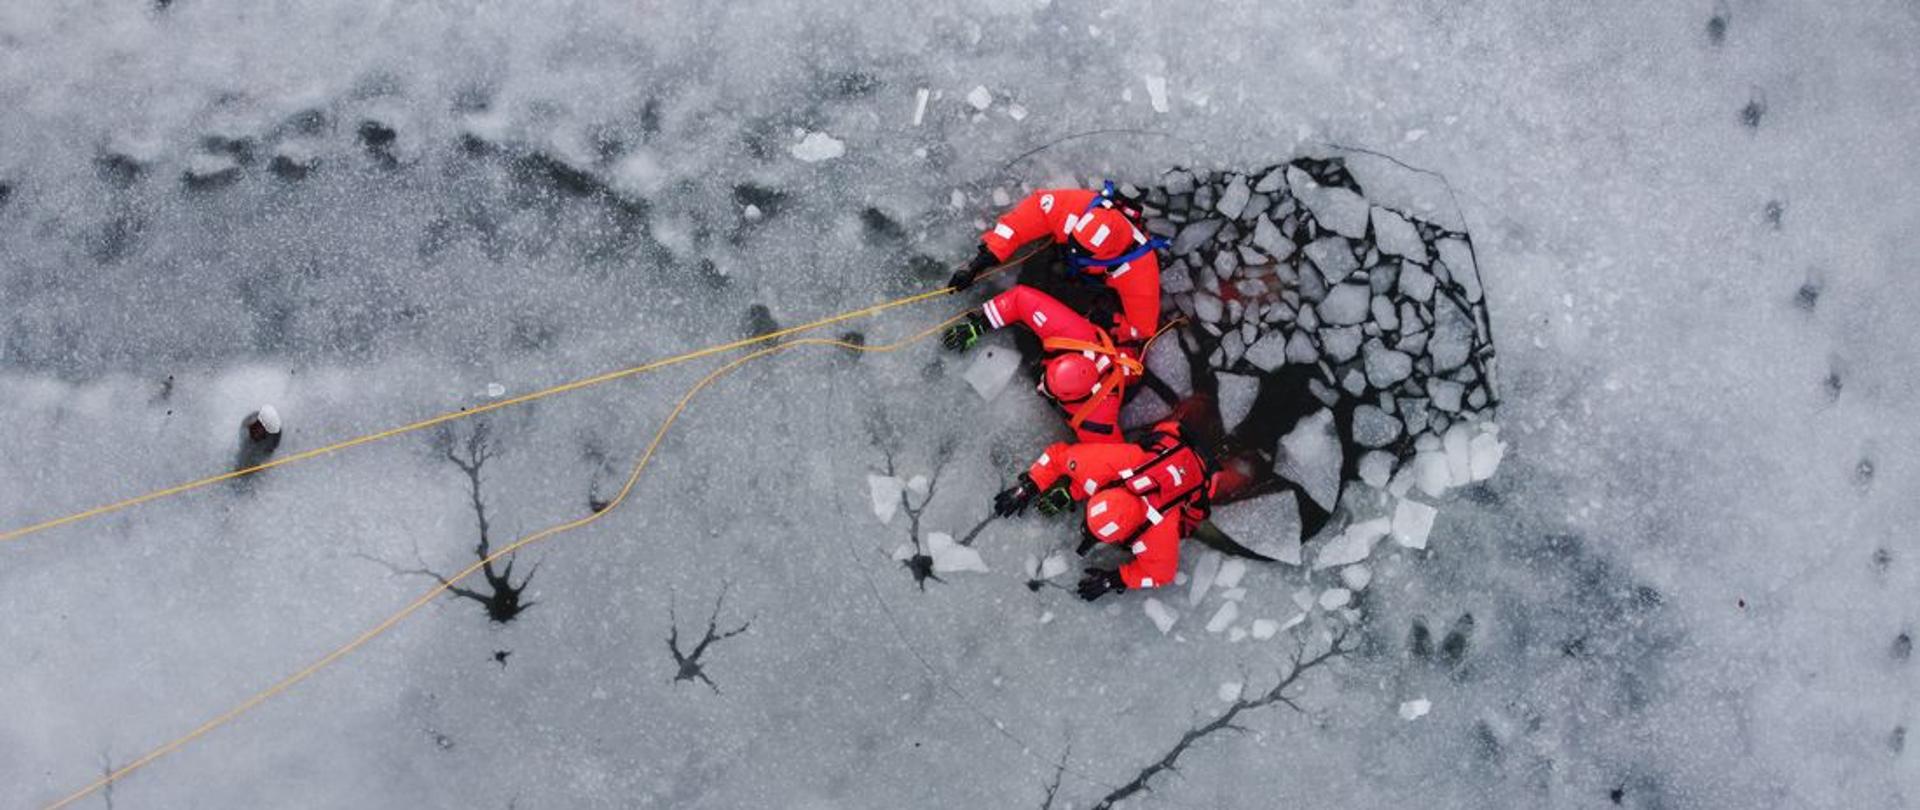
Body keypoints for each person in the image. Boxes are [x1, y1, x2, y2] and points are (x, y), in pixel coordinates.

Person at [992, 419, 1217, 601]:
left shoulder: (1158, 531)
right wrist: (1029, 486)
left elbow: (1161, 575)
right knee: (1095, 472)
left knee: (1191, 518)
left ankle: (1076, 488)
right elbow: (1057, 455)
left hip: (1201, 470)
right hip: (1171, 438)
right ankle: (1075, 488)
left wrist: (1116, 579)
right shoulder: (1111, 462)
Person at [945, 182, 1166, 342]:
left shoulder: (1140, 273)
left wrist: (1111, 322)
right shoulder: (1077, 208)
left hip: (1095, 283)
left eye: (1080, 250)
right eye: (1073, 242)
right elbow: (1023, 218)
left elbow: (1143, 328)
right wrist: (983, 260)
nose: (1072, 249)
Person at [941, 284, 1141, 443]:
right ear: (1063, 359)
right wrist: (978, 326)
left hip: (1124, 371)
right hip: (1099, 341)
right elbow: (1020, 299)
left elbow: (1113, 461)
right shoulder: (1073, 334)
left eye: (1048, 389)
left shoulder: (1095, 418)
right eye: (1045, 381)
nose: (1039, 388)